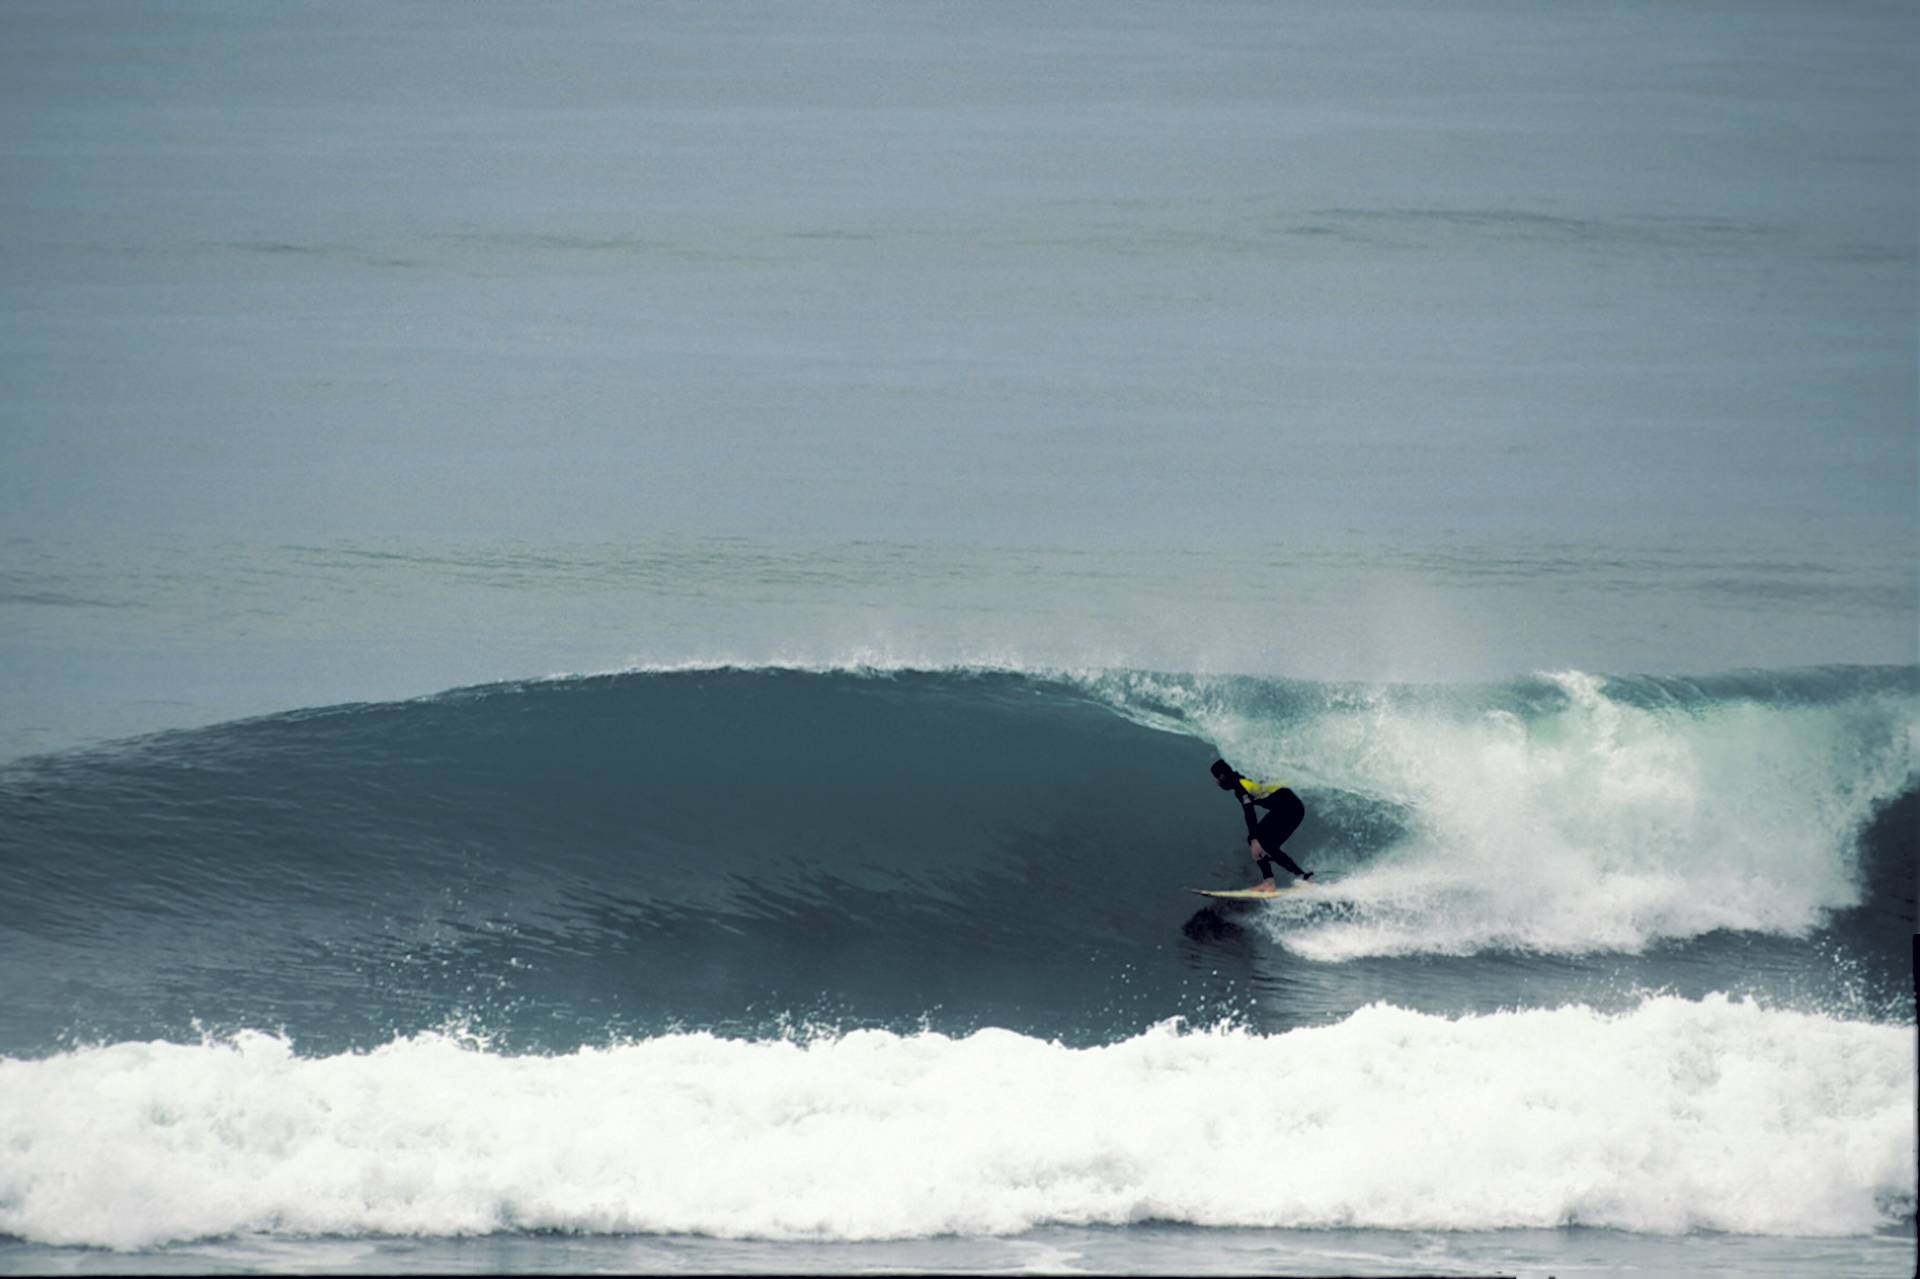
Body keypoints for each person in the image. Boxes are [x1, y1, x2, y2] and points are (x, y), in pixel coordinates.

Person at [1210, 758, 1313, 893]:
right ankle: (1301, 878)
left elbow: (1250, 813)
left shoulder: (1240, 786)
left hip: (1290, 810)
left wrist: (1254, 840)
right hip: (1288, 809)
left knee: (1261, 842)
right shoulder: (1244, 778)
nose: (1216, 782)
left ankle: (1273, 882)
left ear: (1222, 776)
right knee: (1266, 845)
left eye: (1216, 778)